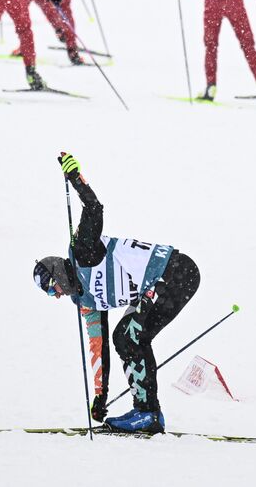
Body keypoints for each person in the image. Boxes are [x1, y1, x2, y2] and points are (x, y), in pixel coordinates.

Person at [34, 152, 199, 434]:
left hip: (176, 274)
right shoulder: (85, 301)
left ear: (57, 272)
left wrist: (75, 177)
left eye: (53, 288)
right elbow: (99, 350)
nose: (57, 295)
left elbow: (94, 208)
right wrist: (101, 395)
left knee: (128, 336)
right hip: (158, 286)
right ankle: (148, 412)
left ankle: (147, 413)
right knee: (127, 337)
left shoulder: (82, 252)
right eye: (51, 295)